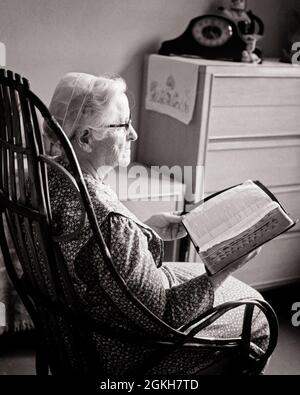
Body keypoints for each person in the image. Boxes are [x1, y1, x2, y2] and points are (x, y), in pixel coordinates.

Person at [43, 72, 270, 375]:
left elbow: (92, 247)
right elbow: (165, 317)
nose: (134, 134)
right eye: (123, 124)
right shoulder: (109, 221)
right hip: (121, 351)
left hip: (70, 332)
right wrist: (222, 269)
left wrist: (142, 230)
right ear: (85, 138)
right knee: (258, 315)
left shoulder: (52, 176)